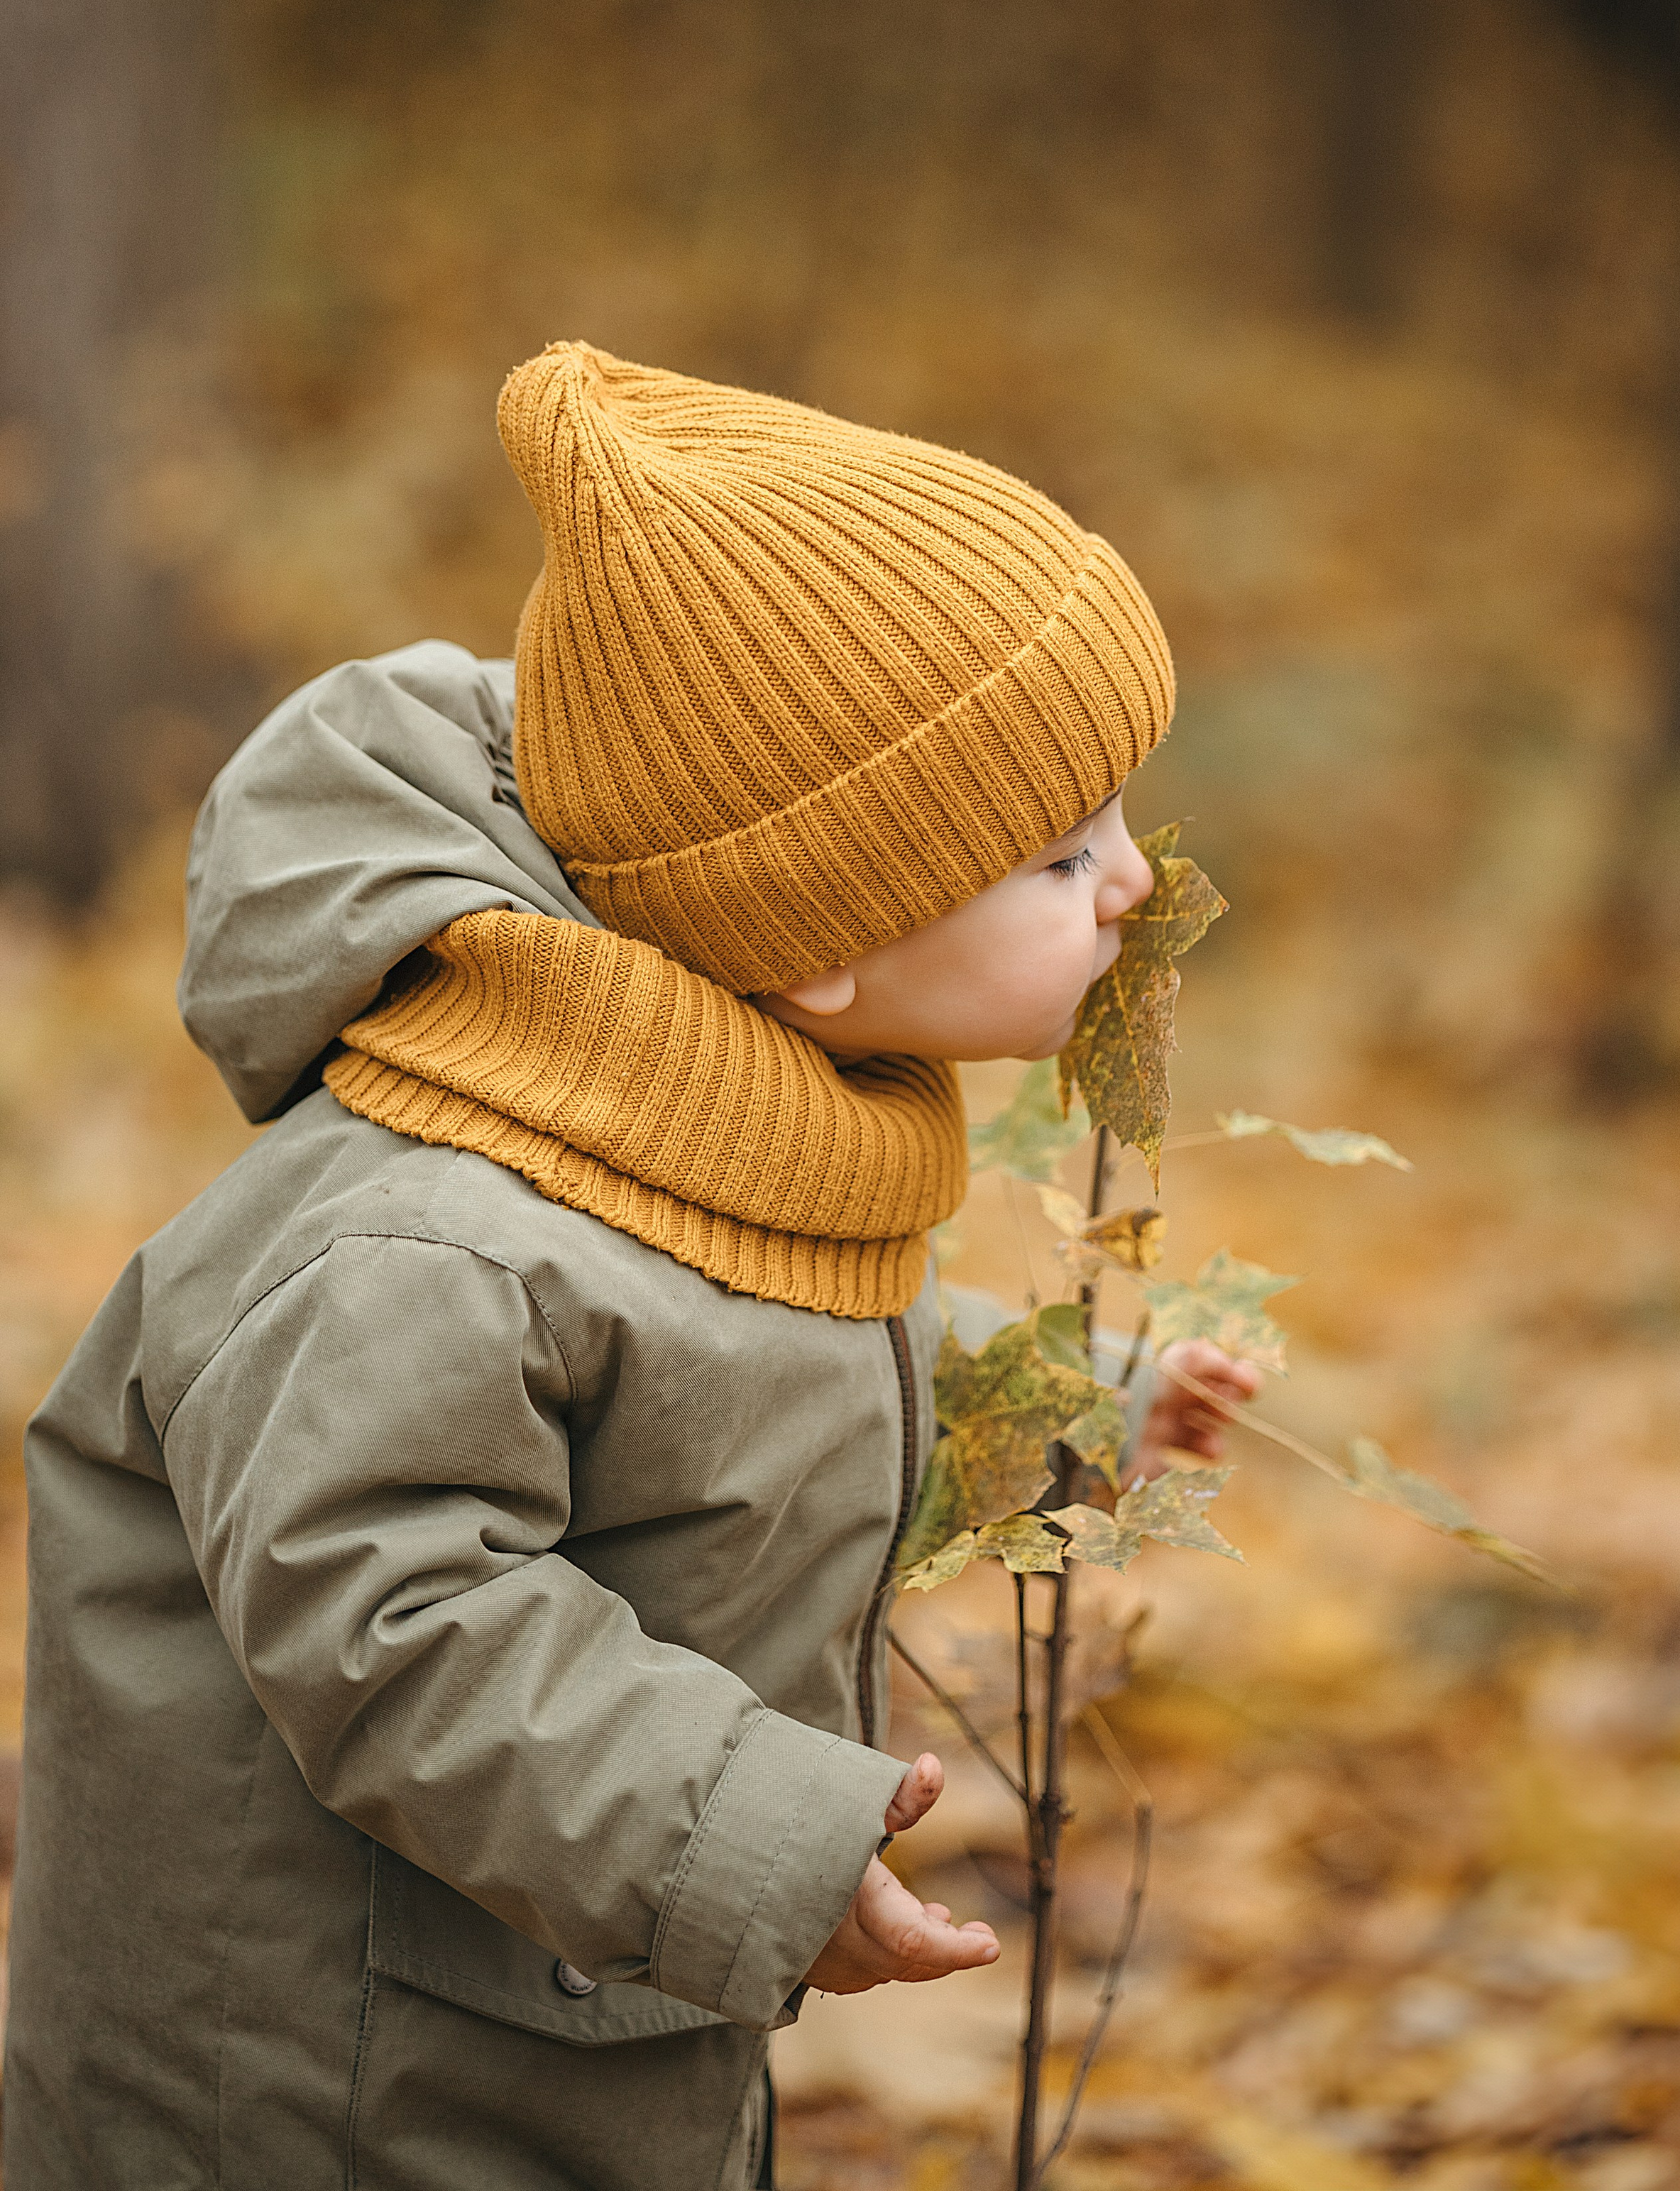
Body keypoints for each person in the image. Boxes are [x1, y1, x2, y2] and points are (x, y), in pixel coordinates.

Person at [4, 344, 1256, 2190]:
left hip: (528, 2022)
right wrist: (744, 1834)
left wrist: (1050, 1400)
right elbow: (398, 1610)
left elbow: (755, 1360)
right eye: (1062, 851)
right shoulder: (427, 1235)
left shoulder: (703, 1115)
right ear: (814, 934)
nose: (1135, 882)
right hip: (318, 2092)